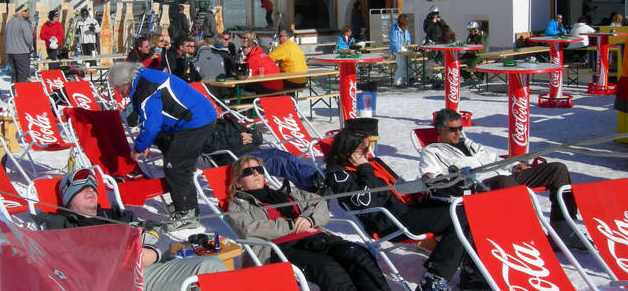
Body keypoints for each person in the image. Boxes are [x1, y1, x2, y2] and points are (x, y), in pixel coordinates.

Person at [324, 118, 473, 291]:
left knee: (467, 206)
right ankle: (434, 278)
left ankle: (471, 269)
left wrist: (424, 186)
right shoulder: (339, 174)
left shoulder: (373, 163)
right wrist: (365, 170)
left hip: (407, 207)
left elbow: (398, 184)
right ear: (348, 150)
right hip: (390, 221)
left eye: (368, 147)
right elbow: (364, 202)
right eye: (363, 149)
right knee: (461, 216)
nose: (367, 152)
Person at [33, 168, 228, 291]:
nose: (90, 190)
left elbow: (153, 233)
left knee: (209, 265)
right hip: (113, 282)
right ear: (68, 199)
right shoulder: (60, 227)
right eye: (82, 189)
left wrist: (151, 252)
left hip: (146, 271)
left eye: (93, 188)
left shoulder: (118, 217)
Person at [419, 108, 583, 250]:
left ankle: (564, 229)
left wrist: (514, 166)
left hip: (504, 177)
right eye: (452, 129)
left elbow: (493, 158)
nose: (458, 133)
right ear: (439, 130)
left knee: (557, 169)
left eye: (460, 128)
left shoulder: (468, 144)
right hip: (479, 187)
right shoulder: (432, 151)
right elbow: (431, 177)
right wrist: (454, 180)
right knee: (505, 181)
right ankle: (531, 234)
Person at [227, 155, 391, 291]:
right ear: (238, 182)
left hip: (317, 238)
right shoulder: (239, 204)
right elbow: (248, 229)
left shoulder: (288, 193)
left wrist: (308, 219)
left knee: (359, 255)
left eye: (259, 169)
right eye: (249, 171)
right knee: (329, 269)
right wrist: (293, 225)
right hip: (282, 248)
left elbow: (319, 202)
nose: (256, 174)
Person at [108, 62, 216, 231]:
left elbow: (152, 125)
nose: (119, 93)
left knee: (175, 165)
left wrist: (138, 147)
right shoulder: (143, 78)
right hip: (190, 118)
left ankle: (188, 212)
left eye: (117, 88)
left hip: (195, 121)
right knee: (173, 158)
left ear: (126, 83)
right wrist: (147, 141)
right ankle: (183, 199)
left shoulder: (145, 90)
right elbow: (153, 122)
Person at [5, 3, 34, 83]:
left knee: (14, 74)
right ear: (20, 12)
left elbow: (5, 38)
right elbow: (28, 38)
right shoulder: (23, 22)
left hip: (10, 52)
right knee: (22, 74)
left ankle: (14, 92)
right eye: (25, 11)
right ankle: (23, 92)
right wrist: (30, 47)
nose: (27, 12)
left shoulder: (9, 22)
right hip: (21, 52)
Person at [390, 14, 411, 87]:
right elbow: (394, 40)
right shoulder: (394, 29)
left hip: (404, 49)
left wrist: (408, 44)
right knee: (401, 65)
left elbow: (408, 38)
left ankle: (409, 78)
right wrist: (399, 50)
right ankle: (397, 83)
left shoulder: (405, 28)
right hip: (397, 50)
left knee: (407, 64)